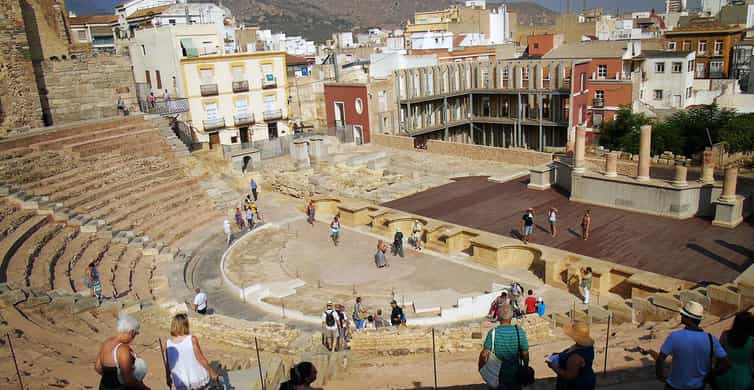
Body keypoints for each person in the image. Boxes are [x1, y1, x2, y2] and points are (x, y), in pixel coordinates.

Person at [656, 301, 731, 390]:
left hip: (674, 386)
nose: (681, 314)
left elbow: (660, 359)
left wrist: (660, 376)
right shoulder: (711, 339)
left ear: (688, 318)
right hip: (698, 386)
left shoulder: (674, 336)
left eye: (683, 314)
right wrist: (711, 375)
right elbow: (726, 364)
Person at [478, 304, 530, 390]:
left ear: (498, 317)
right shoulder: (519, 331)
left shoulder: (493, 333)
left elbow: (484, 353)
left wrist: (480, 367)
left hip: (497, 375)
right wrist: (526, 366)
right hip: (515, 374)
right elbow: (525, 353)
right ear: (511, 316)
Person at [95, 313, 151, 390]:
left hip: (104, 386)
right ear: (131, 332)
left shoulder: (106, 343)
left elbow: (98, 368)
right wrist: (144, 388)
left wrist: (109, 378)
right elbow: (128, 380)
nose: (133, 338)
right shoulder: (123, 350)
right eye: (135, 335)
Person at [166, 314, 218, 390]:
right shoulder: (191, 339)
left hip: (181, 382)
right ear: (185, 325)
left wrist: (168, 376)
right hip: (196, 379)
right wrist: (212, 372)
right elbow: (201, 359)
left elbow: (168, 364)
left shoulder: (168, 344)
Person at [546, 321, 596, 390]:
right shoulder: (586, 346)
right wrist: (559, 355)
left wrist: (553, 367)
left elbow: (568, 376)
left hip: (576, 385)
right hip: (587, 379)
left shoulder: (576, 357)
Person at [714, 311, 754, 390]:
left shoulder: (725, 335)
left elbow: (718, 356)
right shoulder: (752, 341)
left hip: (723, 376)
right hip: (743, 378)